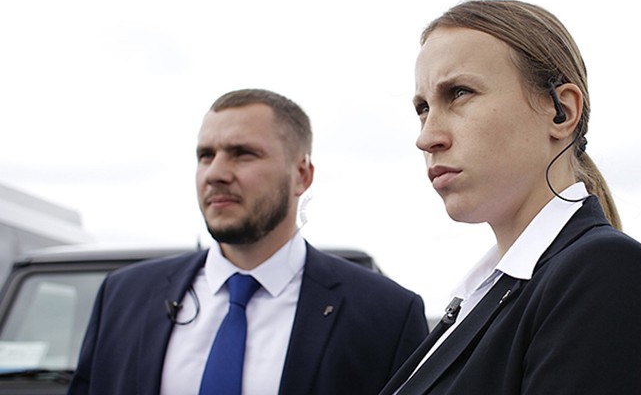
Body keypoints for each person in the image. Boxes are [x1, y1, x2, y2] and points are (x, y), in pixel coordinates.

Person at [380, 0, 641, 395]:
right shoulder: (487, 294)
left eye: (459, 93)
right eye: (423, 108)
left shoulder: (606, 275)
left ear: (562, 112)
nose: (427, 137)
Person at [68, 89, 429, 395]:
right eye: (205, 155)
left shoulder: (387, 316)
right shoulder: (123, 297)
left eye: (242, 153)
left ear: (301, 174)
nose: (215, 173)